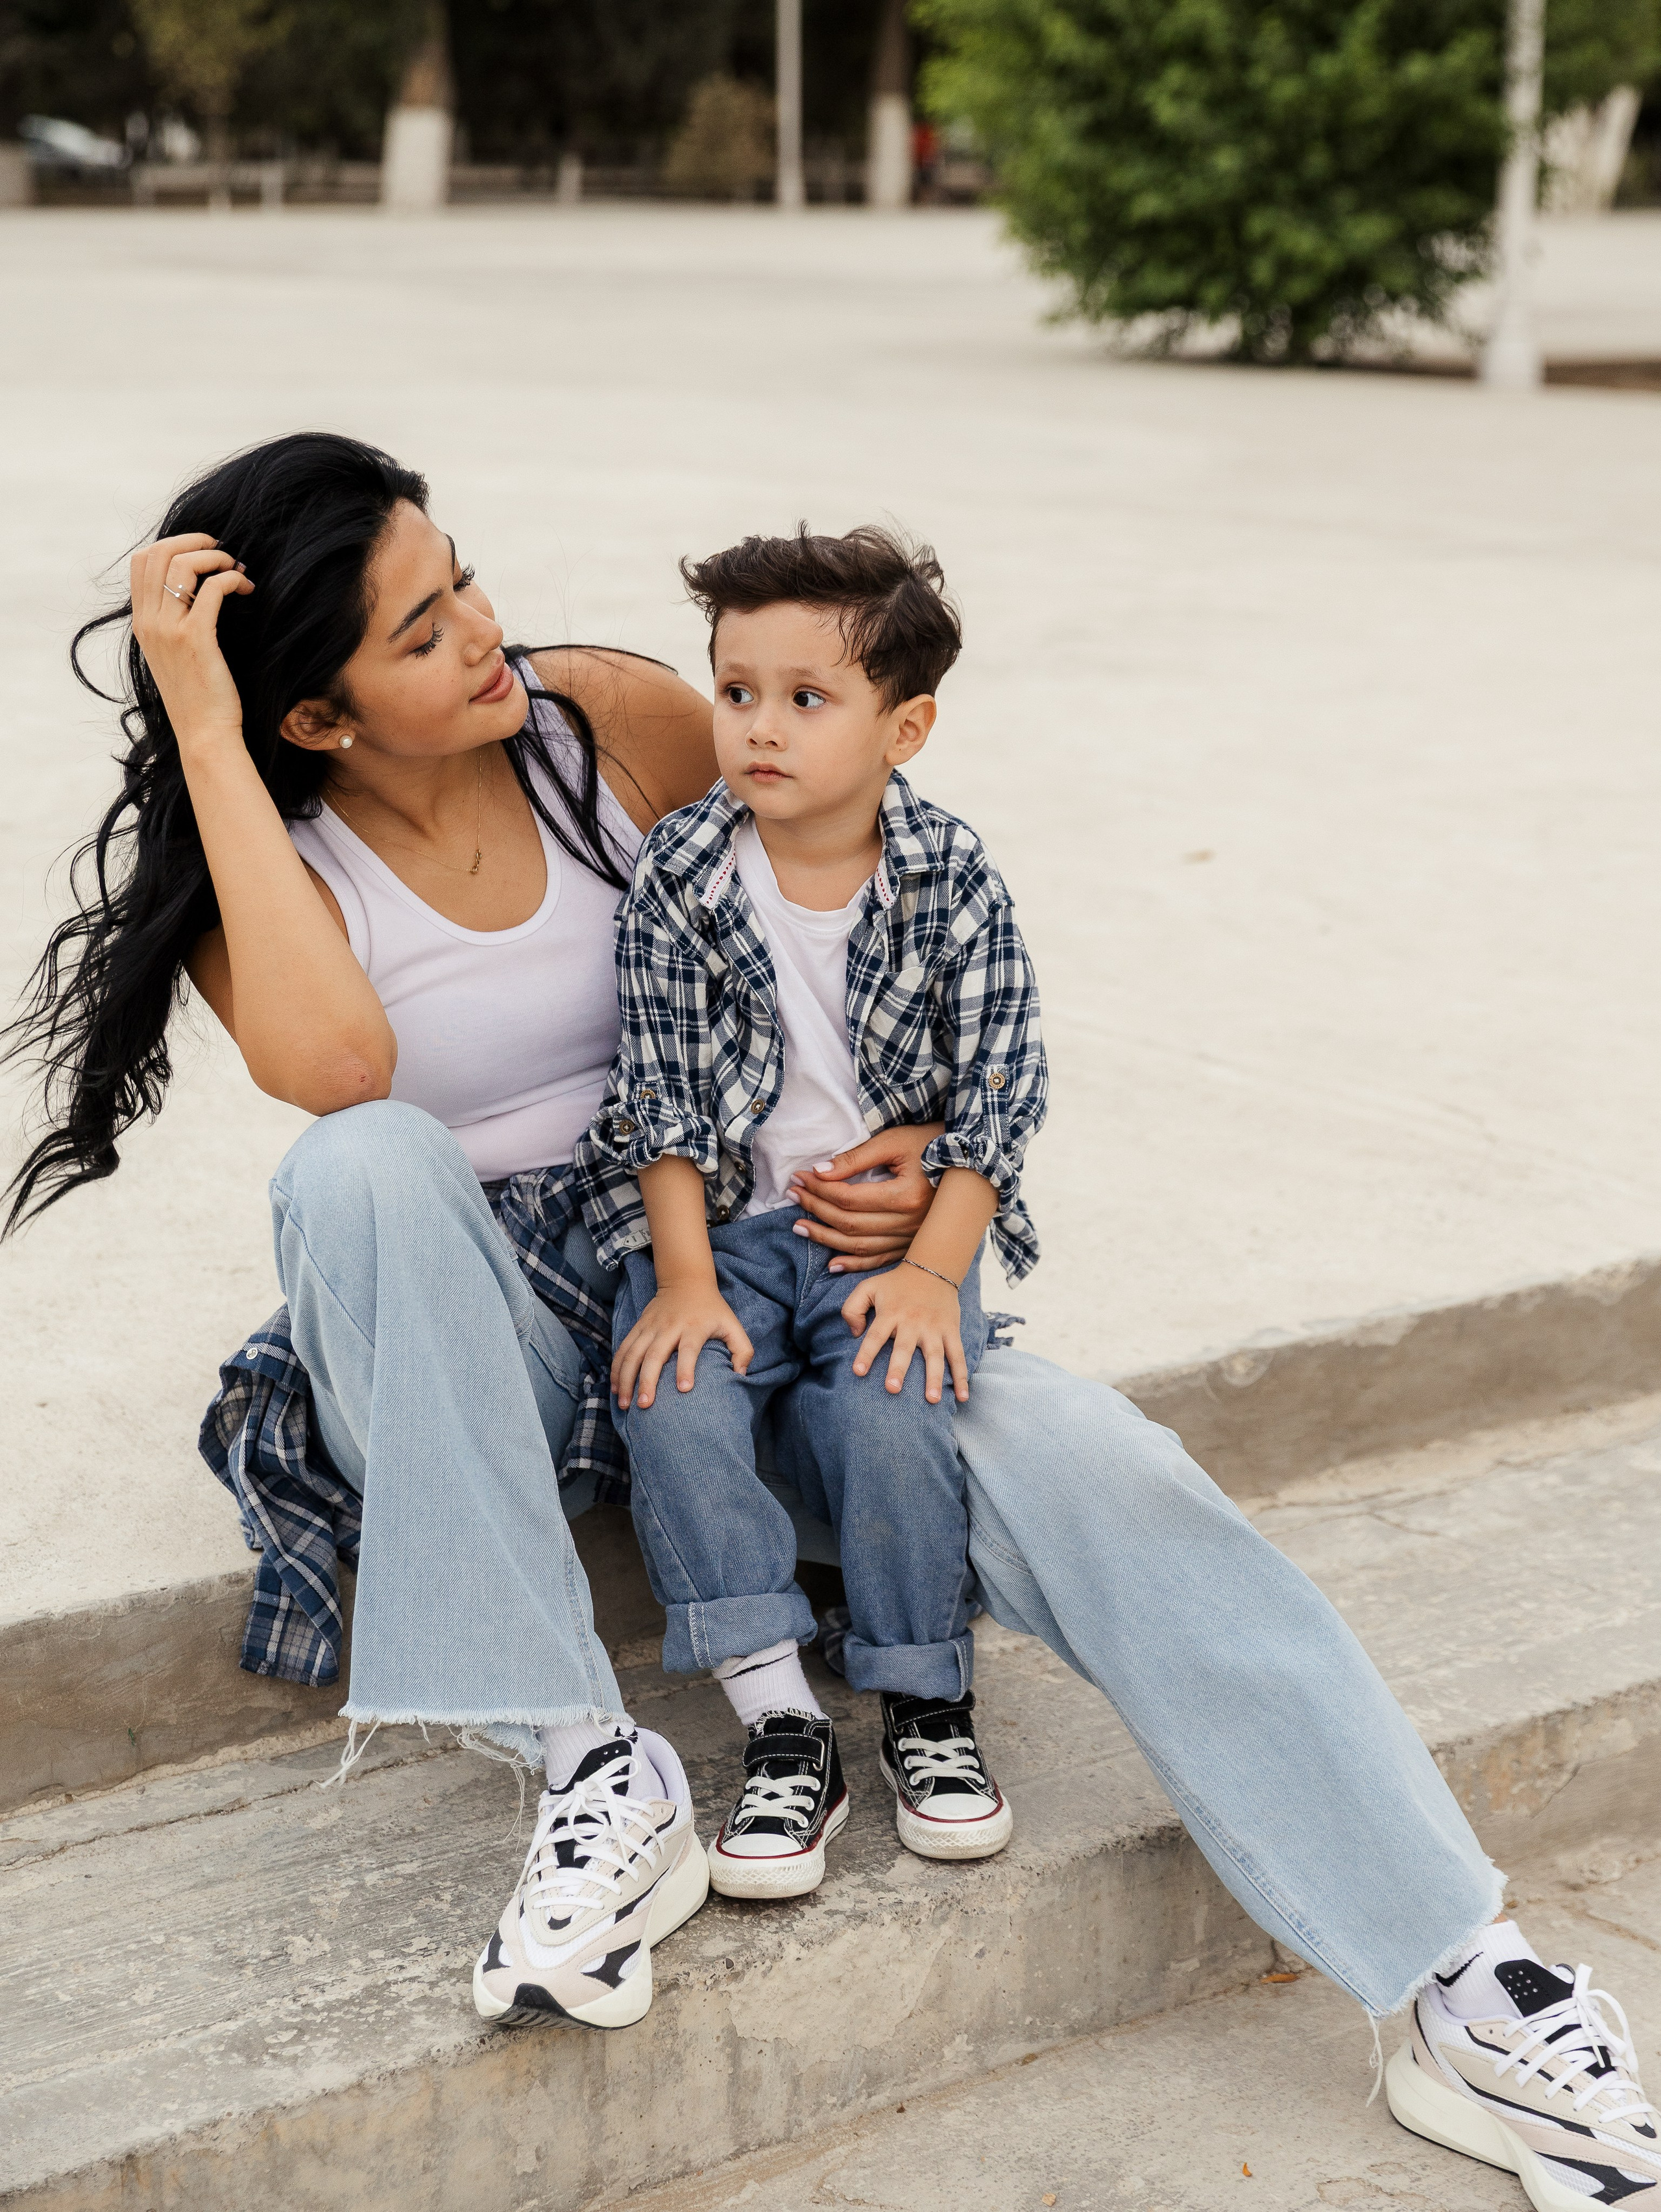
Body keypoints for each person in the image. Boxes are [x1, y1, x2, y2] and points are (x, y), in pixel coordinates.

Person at [6, 435, 1656, 2211]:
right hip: (489, 1323)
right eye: (422, 631)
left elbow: (860, 913)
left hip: (749, 1270)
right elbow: (334, 1069)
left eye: (464, 571)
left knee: (1093, 1456)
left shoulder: (608, 722)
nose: (490, 630)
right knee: (360, 1170)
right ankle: (589, 1769)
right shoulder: (271, 854)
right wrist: (197, 709)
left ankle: (1455, 1972)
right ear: (318, 721)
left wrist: (917, 1161)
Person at [581, 527, 1040, 1897]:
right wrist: (679, 1280)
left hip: (885, 1241)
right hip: (720, 1229)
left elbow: (1001, 1089)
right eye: (734, 692)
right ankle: (780, 1718)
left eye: (805, 698)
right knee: (671, 1397)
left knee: (893, 1399)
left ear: (905, 727)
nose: (758, 729)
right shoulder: (681, 871)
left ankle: (921, 1698)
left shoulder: (948, 875)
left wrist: (930, 1269)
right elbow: (654, 1091)